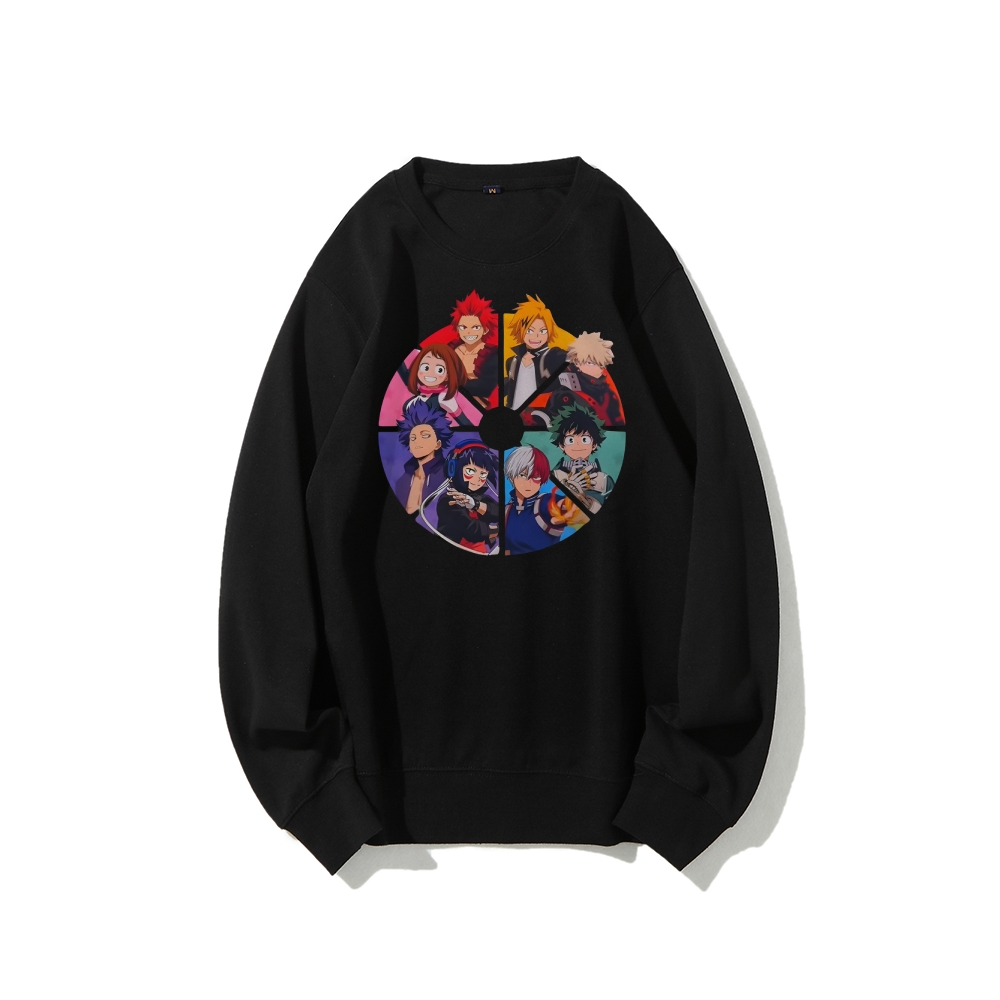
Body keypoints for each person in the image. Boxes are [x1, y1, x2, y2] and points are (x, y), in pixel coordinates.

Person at [503, 444, 586, 554]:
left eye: (536, 477)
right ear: (511, 476)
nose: (529, 483)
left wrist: (570, 506)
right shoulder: (507, 511)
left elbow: (564, 505)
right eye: (523, 475)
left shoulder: (544, 503)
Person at [548, 400, 615, 514]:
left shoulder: (605, 481)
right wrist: (567, 490)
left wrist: (582, 498)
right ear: (562, 445)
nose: (578, 445)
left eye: (585, 439)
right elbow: (547, 508)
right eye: (570, 440)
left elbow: (610, 513)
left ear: (594, 444)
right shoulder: (554, 476)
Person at [435, 441, 500, 554]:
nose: (477, 479)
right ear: (453, 469)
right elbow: (472, 531)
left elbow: (497, 512)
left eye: (483, 474)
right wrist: (499, 530)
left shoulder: (479, 497)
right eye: (470, 471)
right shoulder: (449, 500)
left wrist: (475, 504)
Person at [503, 295, 567, 408]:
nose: (536, 336)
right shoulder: (512, 362)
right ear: (520, 331)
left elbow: (570, 358)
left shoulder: (552, 356)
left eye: (542, 331)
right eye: (530, 331)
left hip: (541, 415)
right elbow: (510, 391)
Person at [392, 400, 453, 516]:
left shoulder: (448, 477)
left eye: (425, 435)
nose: (417, 441)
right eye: (413, 438)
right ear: (410, 447)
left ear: (438, 444)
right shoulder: (402, 481)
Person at [449, 291, 499, 406]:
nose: (469, 332)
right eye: (463, 327)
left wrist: (452, 382)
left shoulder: (492, 354)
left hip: (477, 405)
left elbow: (485, 387)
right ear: (457, 328)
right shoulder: (451, 347)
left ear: (485, 329)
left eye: (475, 327)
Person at [403, 343, 472, 425]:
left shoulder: (443, 398)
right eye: (425, 367)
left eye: (439, 370)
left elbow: (466, 424)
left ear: (448, 376)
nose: (430, 373)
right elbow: (404, 373)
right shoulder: (419, 391)